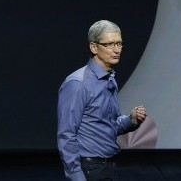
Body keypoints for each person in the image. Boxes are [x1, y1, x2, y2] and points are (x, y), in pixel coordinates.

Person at [57, 20, 147, 181]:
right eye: (109, 44)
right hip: (88, 169)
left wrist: (131, 121)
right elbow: (66, 135)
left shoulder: (109, 79)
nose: (116, 50)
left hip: (107, 167)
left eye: (119, 44)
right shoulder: (78, 84)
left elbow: (108, 125)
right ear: (93, 47)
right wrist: (77, 177)